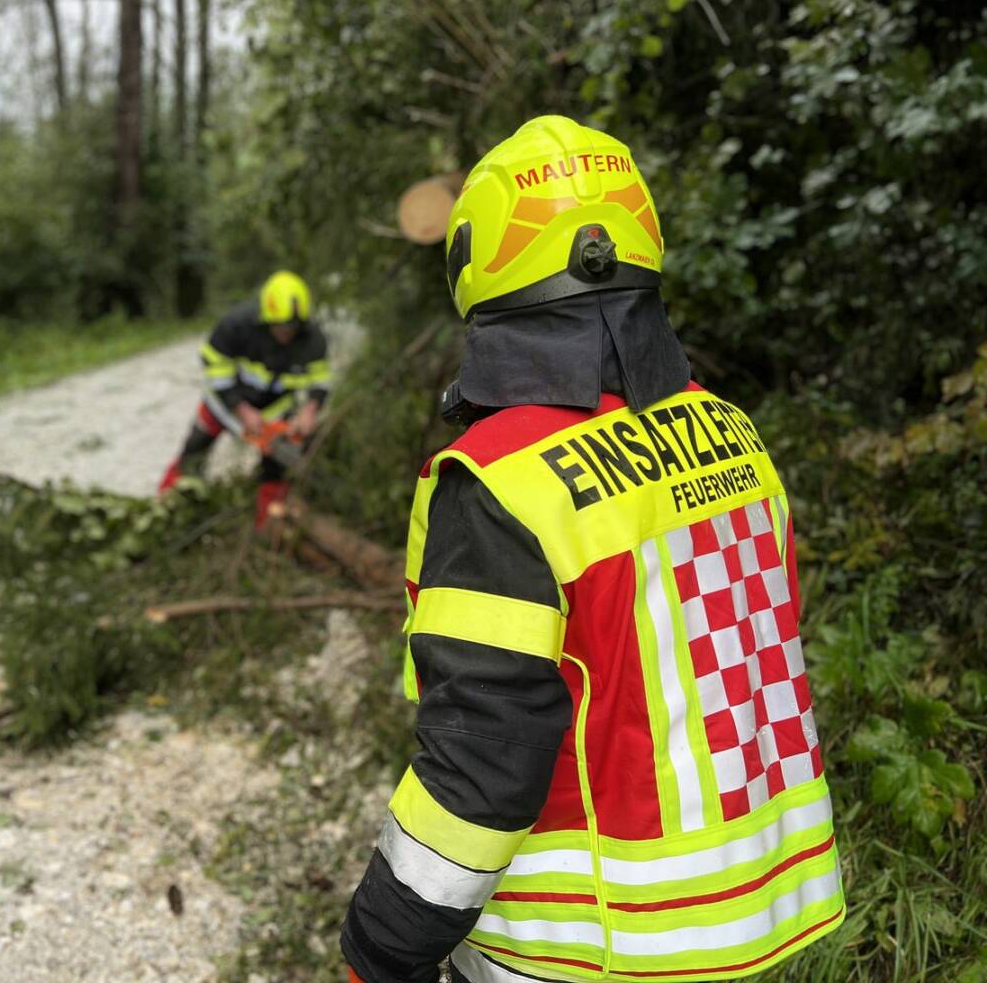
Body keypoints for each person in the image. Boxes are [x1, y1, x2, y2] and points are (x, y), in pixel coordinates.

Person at [341, 116, 844, 983]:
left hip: (587, 950)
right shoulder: (733, 436)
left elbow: (482, 757)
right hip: (755, 918)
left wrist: (382, 945)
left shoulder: (499, 481)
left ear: (480, 261)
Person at [158, 270, 332, 528]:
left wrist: (309, 410)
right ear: (267, 318)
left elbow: (320, 379)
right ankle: (165, 508)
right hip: (224, 404)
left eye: (293, 327)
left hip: (273, 411)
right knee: (194, 451)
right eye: (282, 327)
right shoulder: (236, 326)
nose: (288, 333)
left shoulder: (312, 339)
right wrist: (241, 409)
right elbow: (213, 365)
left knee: (277, 466)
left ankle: (267, 526)